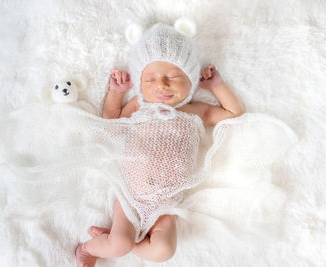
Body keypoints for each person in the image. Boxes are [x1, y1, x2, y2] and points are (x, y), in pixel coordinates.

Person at [75, 22, 244, 267]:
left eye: (173, 77)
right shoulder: (139, 105)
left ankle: (115, 239)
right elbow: (110, 125)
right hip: (130, 195)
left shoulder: (196, 111)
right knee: (120, 244)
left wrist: (216, 86)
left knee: (164, 250)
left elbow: (233, 114)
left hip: (166, 204)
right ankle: (88, 249)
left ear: (191, 80)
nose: (162, 85)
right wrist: (117, 93)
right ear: (140, 84)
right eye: (151, 79)